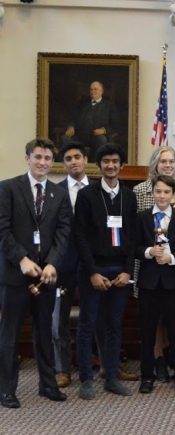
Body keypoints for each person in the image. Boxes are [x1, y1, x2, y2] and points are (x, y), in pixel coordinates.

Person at [0, 139, 71, 409]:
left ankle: (48, 385)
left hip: (46, 276)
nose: (42, 162)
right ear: (27, 158)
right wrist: (21, 259)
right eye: (38, 156)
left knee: (45, 331)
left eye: (48, 158)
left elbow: (64, 233)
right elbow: (2, 230)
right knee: (10, 334)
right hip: (15, 275)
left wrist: (53, 263)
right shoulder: (8, 188)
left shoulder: (59, 194)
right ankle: (6, 389)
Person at [73, 143, 137, 400]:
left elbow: (132, 238)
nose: (111, 166)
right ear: (99, 166)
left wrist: (127, 272)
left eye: (115, 161)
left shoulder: (129, 196)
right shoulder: (87, 195)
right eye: (106, 162)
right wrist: (92, 273)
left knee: (113, 325)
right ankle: (86, 379)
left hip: (119, 270)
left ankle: (111, 376)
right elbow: (80, 237)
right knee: (87, 325)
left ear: (121, 166)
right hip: (94, 270)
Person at [132, 146, 175, 382]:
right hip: (149, 267)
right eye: (163, 161)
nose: (168, 165)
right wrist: (151, 251)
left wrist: (173, 257)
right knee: (151, 320)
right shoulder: (141, 190)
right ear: (155, 164)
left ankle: (173, 358)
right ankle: (156, 359)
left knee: (174, 317)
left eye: (172, 161)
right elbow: (137, 230)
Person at [53, 141, 89, 389]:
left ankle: (100, 364)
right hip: (62, 264)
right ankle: (61, 369)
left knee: (95, 316)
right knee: (58, 319)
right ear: (63, 163)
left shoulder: (97, 190)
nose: (73, 161)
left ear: (85, 159)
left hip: (90, 265)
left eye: (77, 156)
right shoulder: (54, 191)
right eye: (68, 158)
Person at [63, 81, 120, 158]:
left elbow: (116, 124)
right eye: (91, 89)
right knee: (66, 138)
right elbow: (73, 118)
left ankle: (96, 166)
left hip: (96, 137)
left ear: (101, 91)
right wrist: (71, 126)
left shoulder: (109, 106)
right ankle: (71, 164)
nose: (92, 91)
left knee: (102, 140)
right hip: (80, 135)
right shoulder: (83, 104)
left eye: (95, 89)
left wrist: (104, 130)